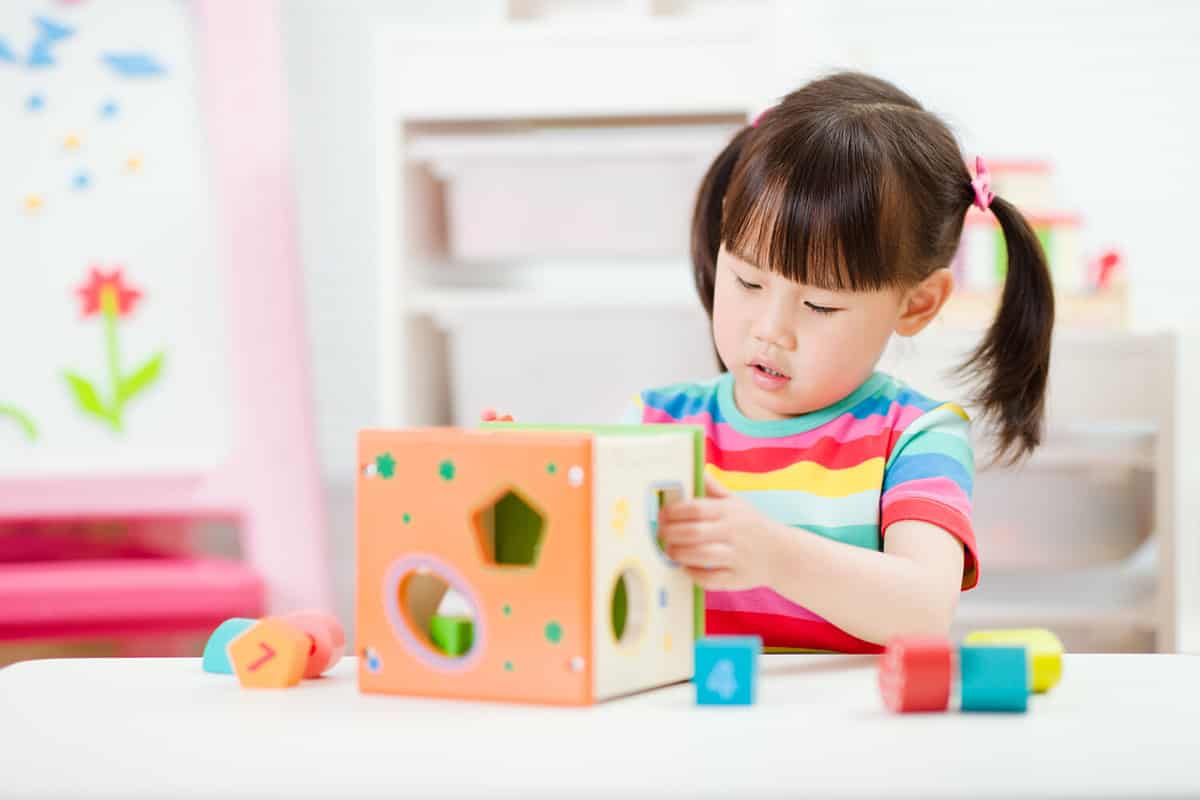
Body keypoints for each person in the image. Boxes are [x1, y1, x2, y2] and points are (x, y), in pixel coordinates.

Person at [629, 71, 1055, 652]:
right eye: (748, 281)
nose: (771, 329)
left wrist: (773, 554)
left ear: (918, 303)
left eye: (820, 304)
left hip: (854, 736)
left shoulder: (915, 438)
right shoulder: (656, 427)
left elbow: (924, 609)